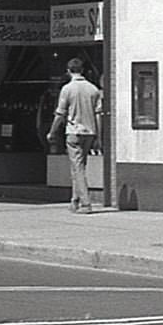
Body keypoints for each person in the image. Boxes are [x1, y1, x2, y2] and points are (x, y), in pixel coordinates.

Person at [49, 57, 104, 213]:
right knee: (79, 167)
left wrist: (52, 132)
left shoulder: (67, 89)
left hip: (74, 132)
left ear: (68, 71)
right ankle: (75, 201)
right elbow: (98, 114)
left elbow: (60, 113)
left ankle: (86, 203)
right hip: (90, 132)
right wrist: (98, 136)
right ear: (83, 71)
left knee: (77, 168)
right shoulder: (93, 89)